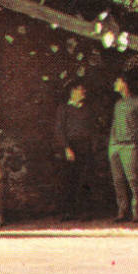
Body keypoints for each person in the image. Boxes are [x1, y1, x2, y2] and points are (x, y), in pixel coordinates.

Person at [108, 72, 138, 222]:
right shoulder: (118, 104)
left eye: (117, 81)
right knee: (118, 179)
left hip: (130, 145)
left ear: (124, 83)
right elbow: (114, 123)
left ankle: (136, 211)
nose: (115, 84)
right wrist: (112, 145)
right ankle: (122, 210)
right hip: (116, 145)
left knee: (134, 179)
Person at [54, 82, 96, 220]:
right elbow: (59, 130)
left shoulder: (87, 109)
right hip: (70, 147)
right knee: (68, 179)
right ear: (73, 91)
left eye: (84, 88)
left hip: (85, 147)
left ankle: (85, 211)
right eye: (80, 89)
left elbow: (92, 129)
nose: (83, 91)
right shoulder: (64, 108)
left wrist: (92, 146)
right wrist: (66, 148)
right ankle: (67, 211)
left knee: (85, 179)